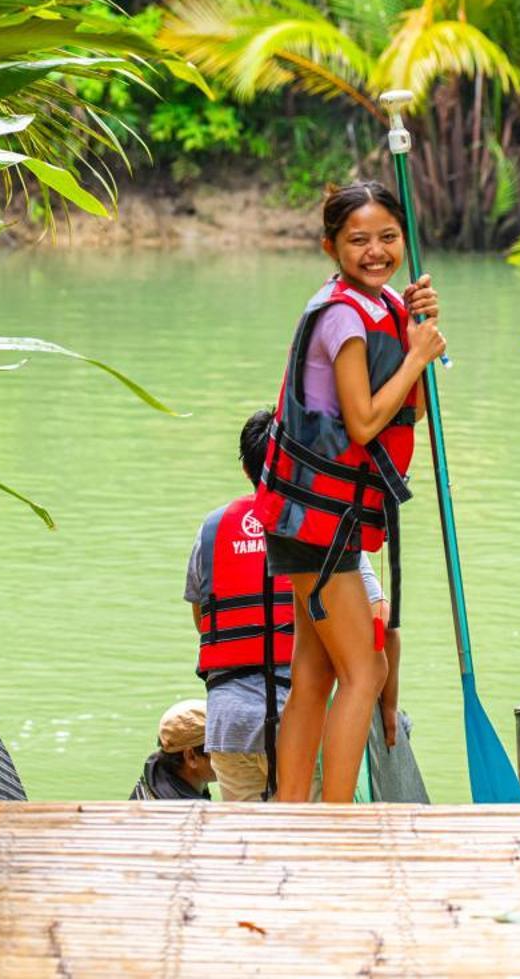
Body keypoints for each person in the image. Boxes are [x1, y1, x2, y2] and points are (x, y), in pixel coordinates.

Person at [254, 180, 443, 803]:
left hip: (321, 518)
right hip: (318, 521)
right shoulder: (342, 316)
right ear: (329, 245)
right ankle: (334, 818)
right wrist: (416, 358)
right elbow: (363, 422)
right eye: (358, 240)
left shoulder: (384, 304)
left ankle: (292, 810)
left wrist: (417, 331)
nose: (375, 251)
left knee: (313, 672)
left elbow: (406, 415)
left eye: (388, 237)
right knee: (364, 669)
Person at [184, 409, 391, 801]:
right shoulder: (322, 523)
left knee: (248, 846)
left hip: (229, 723)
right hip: (299, 718)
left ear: (248, 470)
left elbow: (203, 620)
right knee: (304, 838)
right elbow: (379, 613)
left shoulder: (211, 528)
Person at [129, 699, 215, 800]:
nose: (235, 751)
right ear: (191, 757)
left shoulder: (155, 768)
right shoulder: (189, 812)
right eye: (222, 747)